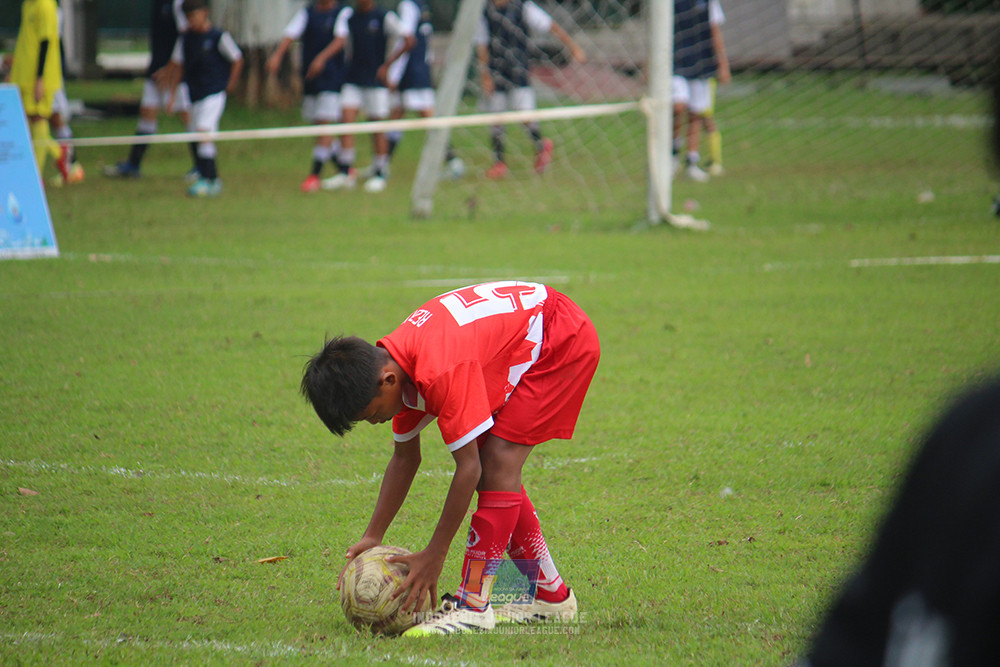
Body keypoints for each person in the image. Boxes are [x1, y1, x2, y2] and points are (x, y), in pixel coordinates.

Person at [300, 281, 600, 635]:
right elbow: (404, 459)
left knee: (497, 462)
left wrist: (435, 554)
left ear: (388, 381)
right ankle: (552, 597)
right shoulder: (398, 366)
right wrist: (373, 534)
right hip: (521, 333)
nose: (375, 422)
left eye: (371, 414)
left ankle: (473, 605)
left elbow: (468, 469)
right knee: (494, 467)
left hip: (560, 338)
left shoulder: (436, 370)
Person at [474, 0, 586, 180]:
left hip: (518, 68)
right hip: (496, 69)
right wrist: (485, 74)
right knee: (495, 116)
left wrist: (573, 47)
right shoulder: (485, 10)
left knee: (525, 114)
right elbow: (482, 44)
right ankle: (499, 162)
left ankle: (541, 146)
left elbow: (550, 25)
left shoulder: (523, 6)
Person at [306, 0, 402, 194]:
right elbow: (340, 39)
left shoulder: (384, 17)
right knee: (346, 122)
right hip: (352, 80)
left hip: (375, 81)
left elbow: (408, 39)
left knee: (377, 127)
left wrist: (388, 66)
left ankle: (380, 172)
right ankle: (346, 171)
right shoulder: (348, 17)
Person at [103, 0, 200, 180]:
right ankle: (133, 164)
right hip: (156, 69)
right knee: (147, 112)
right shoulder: (157, 4)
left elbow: (185, 36)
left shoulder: (177, 4)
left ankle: (202, 165)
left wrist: (172, 69)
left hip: (172, 72)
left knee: (186, 114)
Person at [266, 0, 350, 193]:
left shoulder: (341, 13)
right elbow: (290, 34)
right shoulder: (308, 13)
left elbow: (340, 39)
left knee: (324, 126)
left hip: (332, 78)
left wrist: (321, 58)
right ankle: (345, 169)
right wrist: (277, 55)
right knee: (319, 127)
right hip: (311, 79)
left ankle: (314, 175)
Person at [163, 0, 243, 197]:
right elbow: (178, 66)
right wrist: (171, 96)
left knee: (203, 132)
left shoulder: (218, 36)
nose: (192, 21)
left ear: (205, 13)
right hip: (195, 94)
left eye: (195, 16)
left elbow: (237, 58)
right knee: (199, 135)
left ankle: (211, 179)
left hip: (214, 93)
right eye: (188, 17)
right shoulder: (186, 39)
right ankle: (206, 175)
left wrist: (230, 83)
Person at [380, 0, 463, 180]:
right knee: (398, 115)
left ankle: (453, 162)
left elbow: (407, 40)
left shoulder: (409, 6)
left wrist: (392, 72)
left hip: (412, 72)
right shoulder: (422, 6)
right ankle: (382, 165)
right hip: (419, 70)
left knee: (426, 117)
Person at [8, 0, 70, 183]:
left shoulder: (45, 6)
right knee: (26, 120)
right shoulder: (28, 4)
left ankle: (34, 176)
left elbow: (46, 42)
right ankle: (58, 152)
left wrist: (40, 78)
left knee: (39, 118)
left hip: (40, 77)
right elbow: (26, 41)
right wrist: (15, 71)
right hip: (24, 75)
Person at [672, 0, 730, 183]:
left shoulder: (709, 2)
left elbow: (715, 30)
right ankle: (673, 153)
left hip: (702, 61)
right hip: (676, 61)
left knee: (696, 113)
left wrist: (723, 63)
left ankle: (691, 161)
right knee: (678, 107)